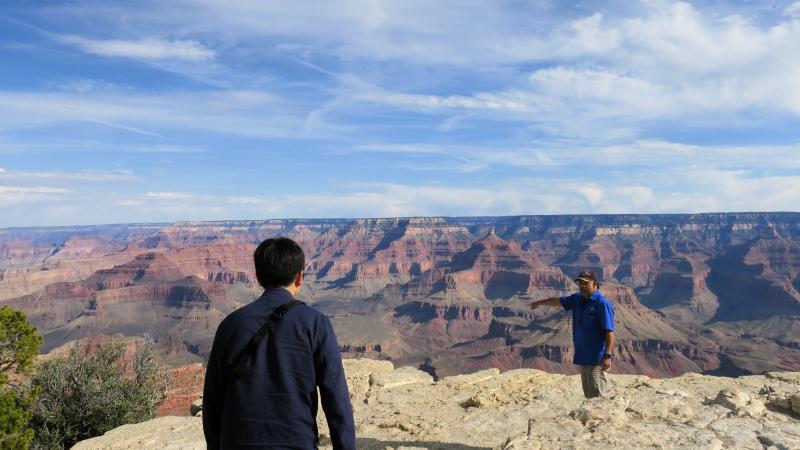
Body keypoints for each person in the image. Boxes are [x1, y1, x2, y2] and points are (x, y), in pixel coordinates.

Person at [203, 237, 355, 450]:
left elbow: (212, 401)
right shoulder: (315, 324)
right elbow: (336, 399)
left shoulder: (229, 325)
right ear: (300, 276)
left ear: (258, 277)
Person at [529, 270, 615, 398]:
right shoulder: (577, 298)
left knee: (597, 395)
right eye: (580, 283)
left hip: (597, 357)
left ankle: (600, 418)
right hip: (584, 355)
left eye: (586, 283)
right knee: (588, 393)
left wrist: (607, 356)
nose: (582, 285)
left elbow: (609, 332)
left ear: (595, 284)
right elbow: (557, 301)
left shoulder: (602, 304)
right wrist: (539, 302)